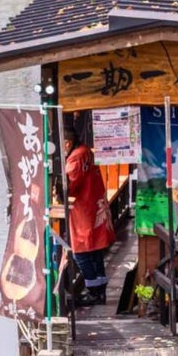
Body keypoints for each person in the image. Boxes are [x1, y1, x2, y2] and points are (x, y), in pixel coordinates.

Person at [64, 127, 116, 305]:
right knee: (95, 251)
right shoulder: (86, 151)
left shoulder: (76, 157)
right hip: (93, 202)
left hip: (84, 208)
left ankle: (94, 291)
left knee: (82, 252)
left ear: (67, 143)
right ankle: (100, 290)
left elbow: (69, 185)